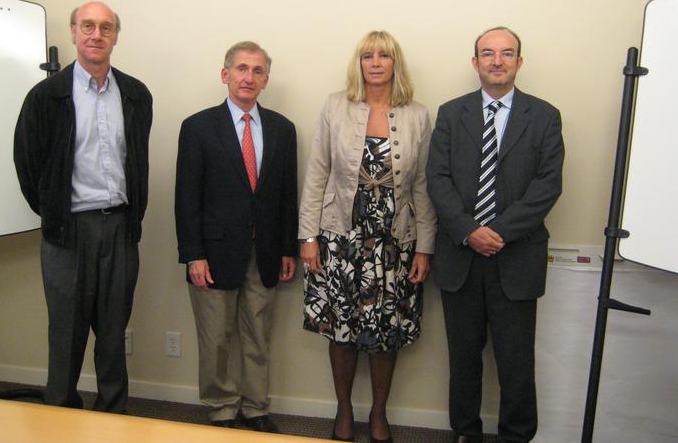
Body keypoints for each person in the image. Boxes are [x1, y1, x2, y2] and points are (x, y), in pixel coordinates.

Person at [426, 27, 564, 443]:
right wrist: (469, 230)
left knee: (516, 362)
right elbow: (437, 178)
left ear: (519, 62)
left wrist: (496, 232)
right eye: (488, 53)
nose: (497, 61)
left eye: (507, 53)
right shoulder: (451, 113)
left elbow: (547, 186)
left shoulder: (544, 116)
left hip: (516, 257)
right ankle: (465, 432)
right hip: (461, 257)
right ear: (475, 63)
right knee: (463, 360)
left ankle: (516, 436)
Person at [13, 1, 153, 412]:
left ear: (115, 37)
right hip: (68, 233)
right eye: (88, 26)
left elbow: (137, 161)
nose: (96, 35)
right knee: (66, 333)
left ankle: (113, 415)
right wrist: (55, 214)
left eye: (106, 27)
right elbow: (27, 165)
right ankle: (61, 414)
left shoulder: (135, 94)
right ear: (73, 32)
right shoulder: (46, 97)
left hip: (120, 229)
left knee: (113, 332)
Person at [299, 31, 436, 443]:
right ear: (358, 63)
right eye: (367, 55)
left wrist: (425, 247)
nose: (375, 62)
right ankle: (344, 409)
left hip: (395, 241)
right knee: (342, 328)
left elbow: (423, 184)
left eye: (384, 55)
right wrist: (308, 236)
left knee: (386, 330)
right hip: (341, 236)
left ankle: (379, 413)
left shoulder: (417, 115)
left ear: (396, 63)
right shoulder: (334, 105)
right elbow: (317, 172)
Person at [175, 41, 297, 433]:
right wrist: (193, 254)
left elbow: (287, 195)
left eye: (257, 71)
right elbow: (186, 198)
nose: (249, 77)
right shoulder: (197, 127)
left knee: (258, 335)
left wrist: (288, 249)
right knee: (216, 338)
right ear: (225, 74)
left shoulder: (282, 129)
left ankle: (256, 407)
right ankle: (222, 409)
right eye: (242, 68)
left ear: (266, 80)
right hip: (213, 253)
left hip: (265, 251)